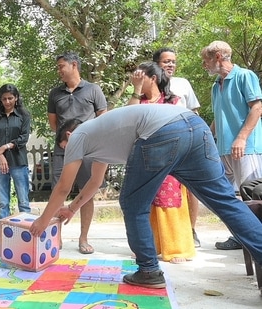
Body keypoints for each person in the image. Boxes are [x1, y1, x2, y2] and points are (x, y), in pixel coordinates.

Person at [29, 103, 262, 289]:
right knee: (225, 201)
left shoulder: (78, 135)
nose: (70, 154)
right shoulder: (99, 140)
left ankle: (149, 271)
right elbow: (95, 182)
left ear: (68, 135)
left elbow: (62, 186)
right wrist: (72, 209)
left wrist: (42, 220)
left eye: (64, 146)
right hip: (195, 126)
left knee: (133, 203)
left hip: (162, 131)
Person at [127, 62, 195, 263]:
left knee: (169, 200)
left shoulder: (171, 101)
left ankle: (176, 248)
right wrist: (137, 89)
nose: (137, 78)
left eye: (141, 76)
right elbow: (127, 119)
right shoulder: (139, 101)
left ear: (153, 78)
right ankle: (151, 246)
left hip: (169, 158)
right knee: (146, 202)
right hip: (145, 159)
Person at [200, 41, 262, 251]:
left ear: (218, 56)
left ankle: (253, 239)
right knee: (224, 194)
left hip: (246, 147)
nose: (204, 65)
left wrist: (242, 138)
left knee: (251, 195)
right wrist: (206, 137)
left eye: (205, 60)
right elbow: (219, 117)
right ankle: (239, 234)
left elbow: (257, 108)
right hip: (223, 148)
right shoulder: (216, 84)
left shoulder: (245, 76)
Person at [47, 51, 107, 254]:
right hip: (63, 149)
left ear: (74, 65)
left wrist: (85, 140)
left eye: (61, 66)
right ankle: (57, 238)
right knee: (58, 192)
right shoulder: (55, 93)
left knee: (87, 192)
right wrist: (68, 140)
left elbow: (103, 120)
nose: (59, 71)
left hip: (89, 152)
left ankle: (83, 239)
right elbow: (54, 124)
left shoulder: (93, 90)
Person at [153, 47, 202, 248]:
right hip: (161, 145)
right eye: (166, 61)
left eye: (173, 61)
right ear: (157, 63)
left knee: (190, 188)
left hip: (187, 141)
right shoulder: (152, 83)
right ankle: (162, 237)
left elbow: (194, 112)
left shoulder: (182, 84)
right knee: (163, 190)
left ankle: (190, 230)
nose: (171, 65)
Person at [0, 84, 31, 251]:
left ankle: (27, 237)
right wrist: (0, 156)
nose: (7, 101)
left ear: (16, 98)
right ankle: (2, 238)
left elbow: (23, 138)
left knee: (24, 202)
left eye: (10, 98)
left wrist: (5, 148)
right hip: (0, 164)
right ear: (0, 99)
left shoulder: (23, 115)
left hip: (18, 162)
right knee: (3, 203)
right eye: (4, 98)